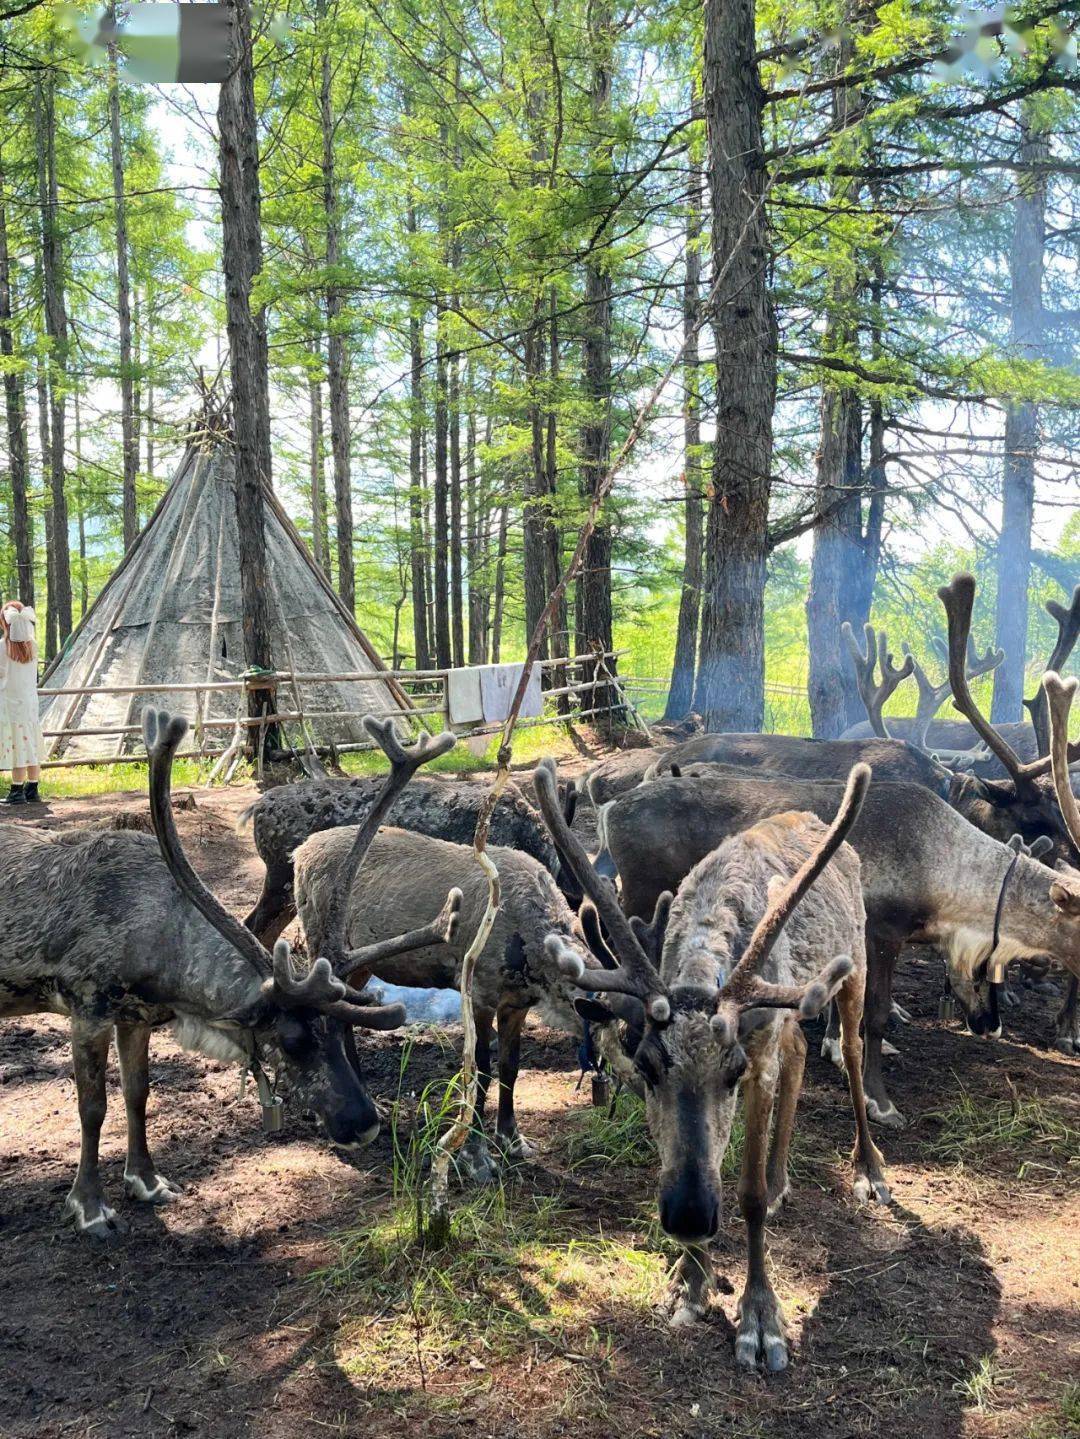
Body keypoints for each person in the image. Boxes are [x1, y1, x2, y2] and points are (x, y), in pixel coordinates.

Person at [0, 600, 44, 805]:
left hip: (11, 702)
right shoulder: (32, 645)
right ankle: (32, 787)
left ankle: (16, 790)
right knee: (30, 743)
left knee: (17, 745)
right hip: (29, 702)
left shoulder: (3, 646)